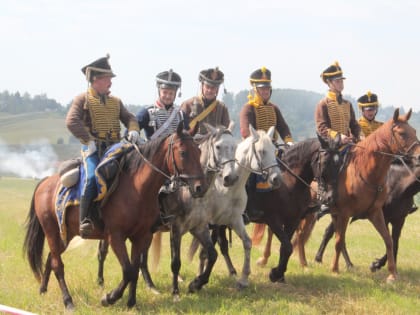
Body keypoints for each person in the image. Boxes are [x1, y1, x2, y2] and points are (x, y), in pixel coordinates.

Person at [66, 54, 140, 236]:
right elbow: (71, 121)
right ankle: (85, 219)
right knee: (91, 177)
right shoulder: (82, 99)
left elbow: (130, 118)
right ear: (96, 80)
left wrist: (133, 129)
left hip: (115, 147)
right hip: (93, 149)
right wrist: (88, 140)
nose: (110, 83)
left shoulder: (116, 101)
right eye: (107, 79)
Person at [239, 66, 294, 220]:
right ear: (255, 89)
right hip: (255, 150)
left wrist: (288, 141)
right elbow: (245, 132)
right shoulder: (248, 108)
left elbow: (283, 127)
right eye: (262, 89)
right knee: (250, 176)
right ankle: (249, 208)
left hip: (274, 147)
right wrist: (262, 144)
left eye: (267, 89)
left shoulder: (273, 108)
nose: (265, 92)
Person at [314, 61, 361, 217]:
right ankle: (325, 199)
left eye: (341, 81)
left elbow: (354, 124)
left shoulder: (347, 104)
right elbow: (321, 128)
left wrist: (353, 137)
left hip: (349, 143)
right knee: (328, 164)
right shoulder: (323, 104)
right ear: (329, 83)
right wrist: (339, 137)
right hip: (331, 145)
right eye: (337, 81)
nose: (341, 84)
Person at [136, 69, 188, 140]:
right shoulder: (147, 112)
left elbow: (188, 135)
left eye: (171, 93)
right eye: (165, 92)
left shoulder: (181, 114)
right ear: (159, 91)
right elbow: (131, 132)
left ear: (175, 94)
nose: (168, 96)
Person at [181, 67, 230, 134]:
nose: (210, 90)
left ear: (217, 89)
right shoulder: (188, 104)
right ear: (202, 86)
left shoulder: (222, 108)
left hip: (214, 143)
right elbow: (180, 129)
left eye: (213, 88)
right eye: (207, 87)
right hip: (192, 143)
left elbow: (225, 130)